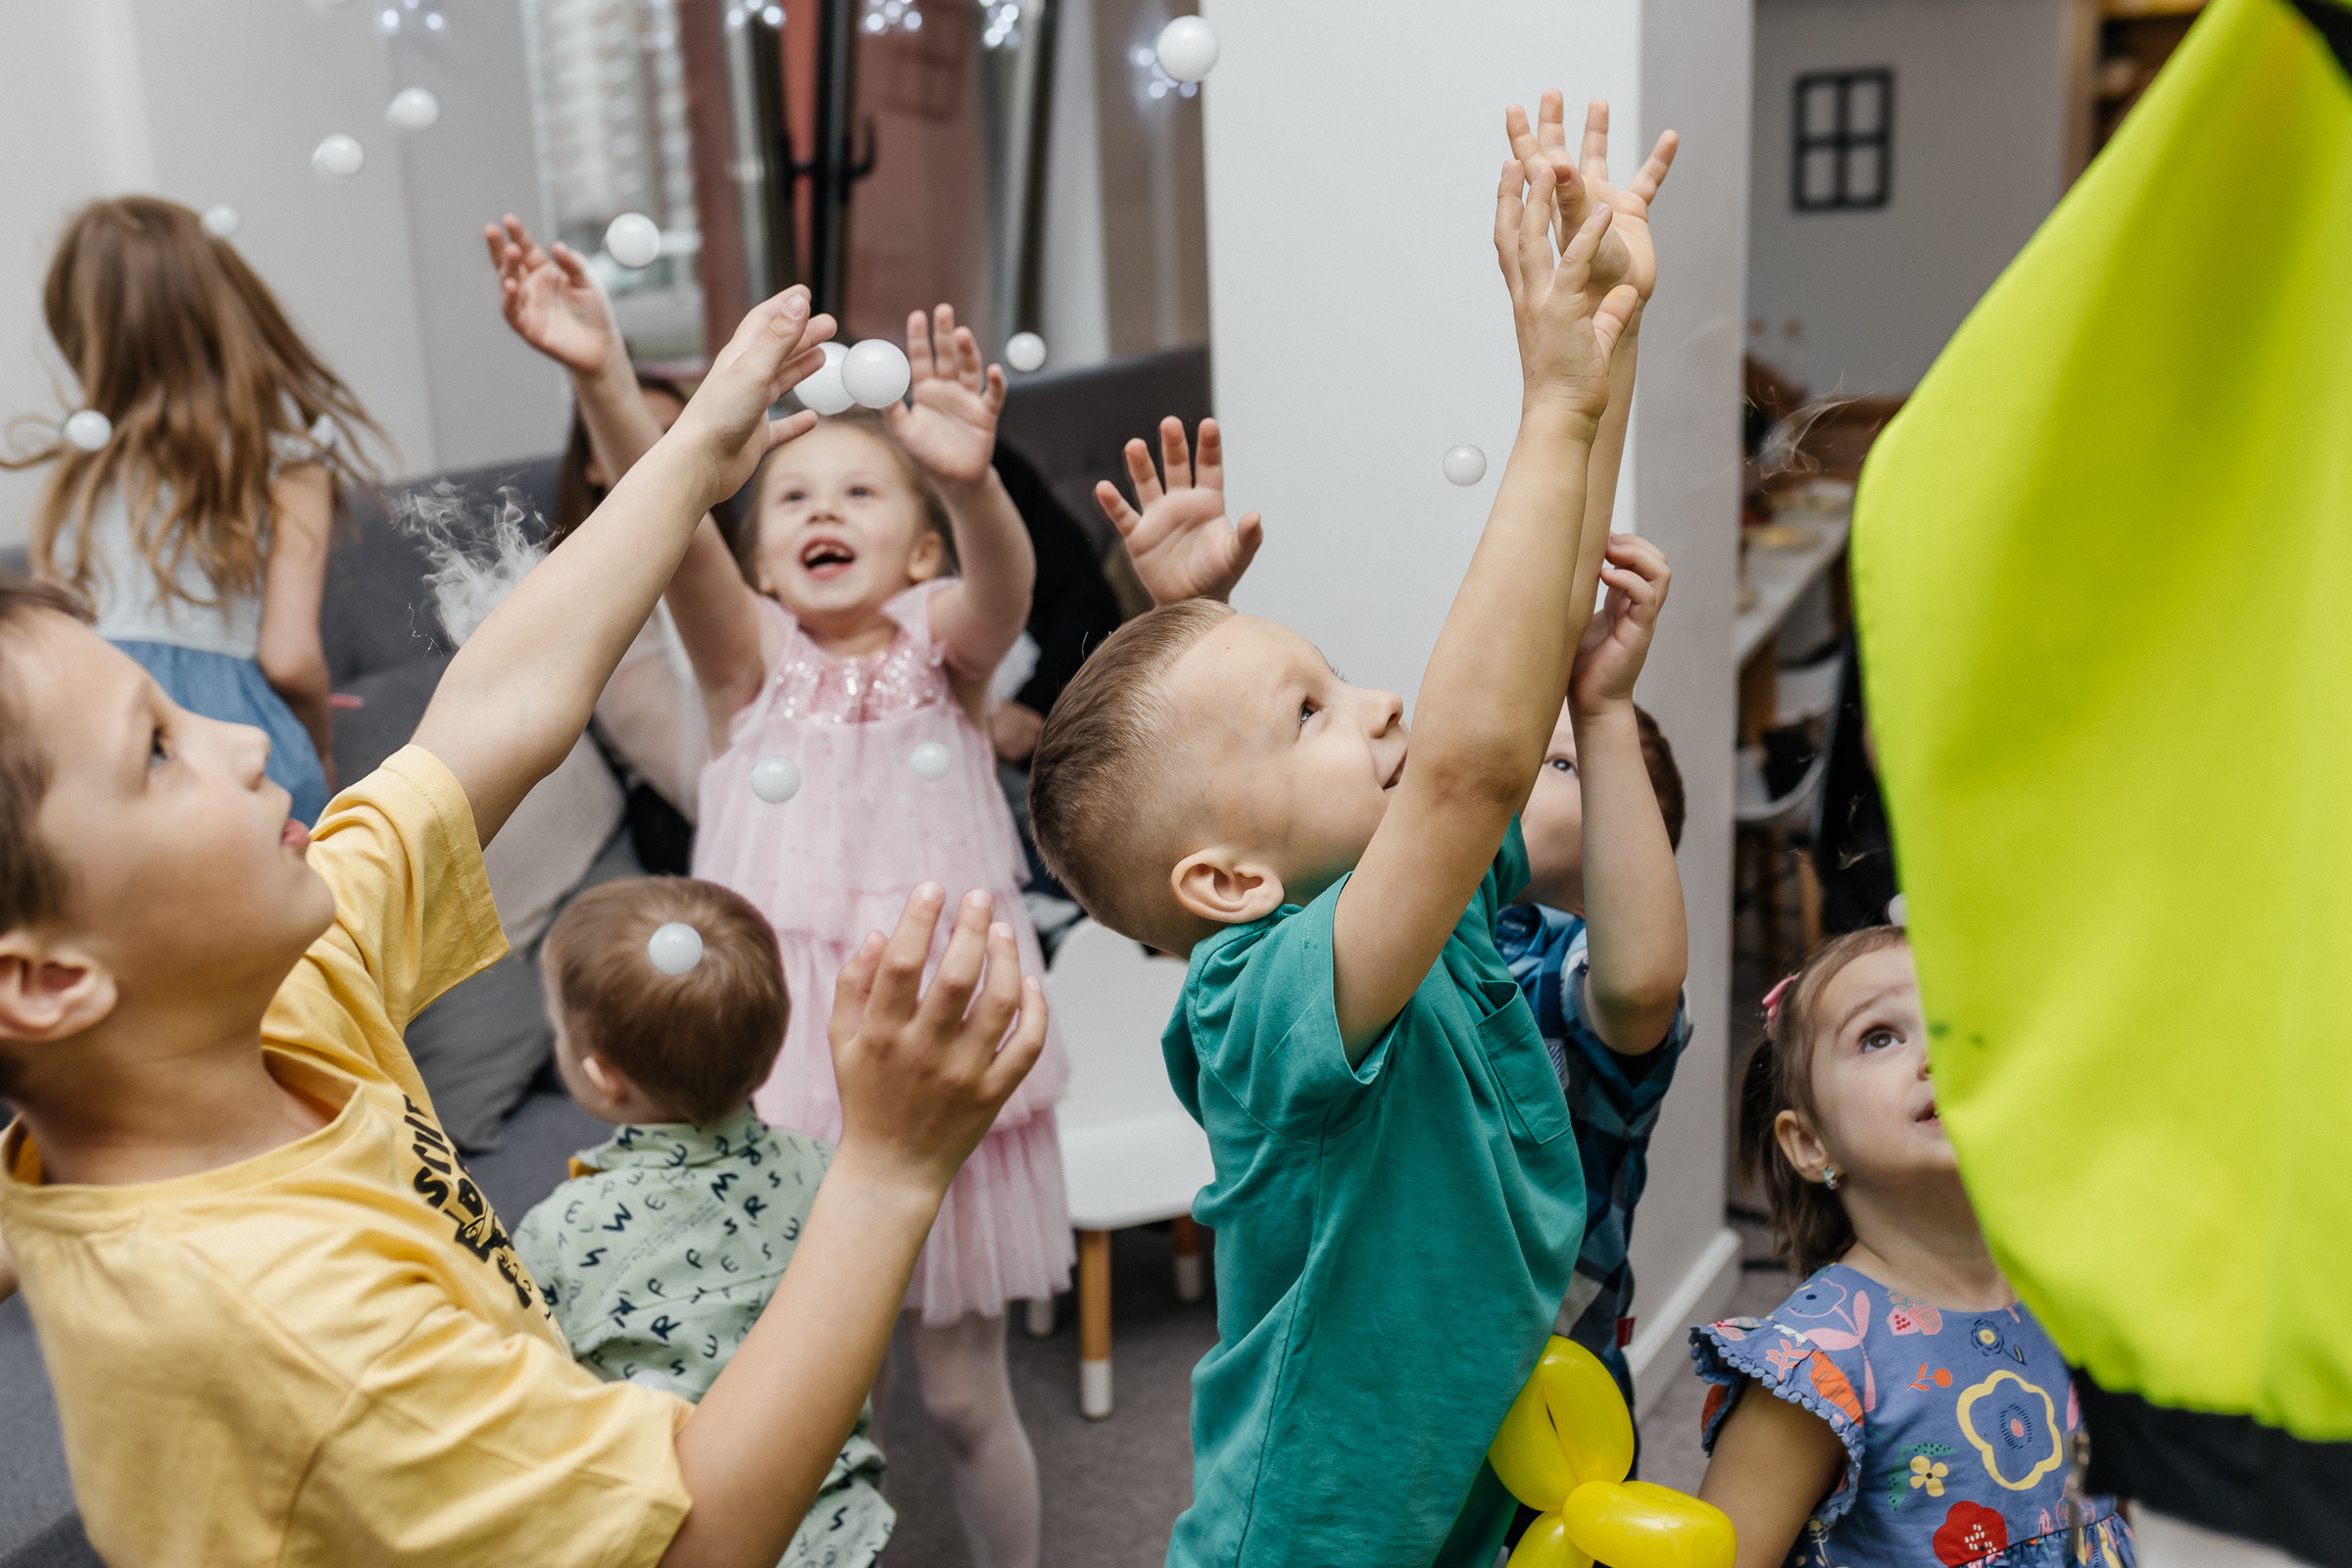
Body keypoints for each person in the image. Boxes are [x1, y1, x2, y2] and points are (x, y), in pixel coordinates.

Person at [0, 282, 1049, 1567]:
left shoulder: (288, 993)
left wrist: (689, 452)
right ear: (46, 982)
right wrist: (885, 1170)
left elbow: (492, 711)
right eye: (158, 751)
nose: (244, 740)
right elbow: (697, 1537)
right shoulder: (300, 1329)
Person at [1026, 100, 1671, 1567]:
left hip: (1466, 1484)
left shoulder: (1414, 900)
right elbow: (1471, 766)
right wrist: (1549, 401)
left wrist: (1604, 333)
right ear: (1225, 880)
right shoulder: (1256, 1004)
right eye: (1313, 711)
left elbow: (1535, 655)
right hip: (1317, 1539)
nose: (1379, 704)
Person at [483, 220, 1069, 1568]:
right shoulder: (744, 667)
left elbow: (1004, 589)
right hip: (787, 1056)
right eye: (792, 497)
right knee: (815, 1395)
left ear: (918, 554)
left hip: (936, 1030)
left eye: (862, 492)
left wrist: (972, 484)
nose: (821, 511)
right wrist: (600, 373)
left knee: (964, 1396)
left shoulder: (946, 654)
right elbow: (673, 515)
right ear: (754, 562)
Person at [1692, 929, 2134, 1567]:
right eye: (1879, 1037)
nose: (1938, 1054)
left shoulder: (2073, 1297)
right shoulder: (1817, 1364)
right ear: (1811, 1144)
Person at [514, 876, 891, 1568]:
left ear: (602, 1075)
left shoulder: (558, 1233)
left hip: (687, 1543)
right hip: (843, 1535)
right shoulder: (833, 1176)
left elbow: (534, 1403)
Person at [3, 195, 382, 824]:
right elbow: (289, 659)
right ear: (225, 306)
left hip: (112, 755)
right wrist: (318, 749)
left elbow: (51, 643)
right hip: (235, 747)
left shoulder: (77, 473)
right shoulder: (285, 463)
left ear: (81, 334)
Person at [1502, 588, 1690, 1421]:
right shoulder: (1418, 919)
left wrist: (1604, 709)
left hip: (1554, 1393)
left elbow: (1639, 982)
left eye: (1562, 764)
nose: (1518, 766)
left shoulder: (1579, 963)